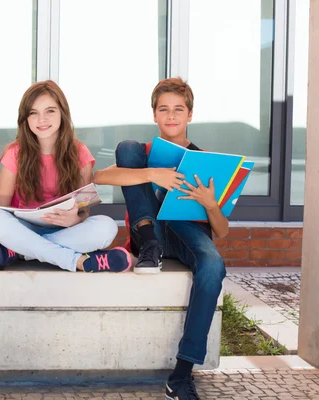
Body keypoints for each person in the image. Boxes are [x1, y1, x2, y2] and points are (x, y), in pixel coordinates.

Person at [94, 77, 228, 400]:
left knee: (213, 266)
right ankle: (149, 244)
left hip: (187, 233)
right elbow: (99, 177)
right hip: (149, 230)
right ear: (154, 115)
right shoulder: (141, 155)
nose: (171, 116)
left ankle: (181, 376)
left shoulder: (205, 161)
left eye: (178, 109)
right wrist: (153, 174)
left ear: (190, 115)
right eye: (163, 109)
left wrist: (210, 204)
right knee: (127, 146)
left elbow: (222, 231)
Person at [0, 80, 131, 273]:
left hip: (65, 230)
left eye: (50, 111)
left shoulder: (80, 153)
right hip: (25, 229)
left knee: (107, 227)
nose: (41, 119)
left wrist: (74, 220)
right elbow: (2, 208)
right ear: (25, 119)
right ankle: (78, 261)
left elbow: (84, 212)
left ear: (63, 113)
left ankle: (19, 252)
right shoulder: (15, 153)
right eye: (33, 113)